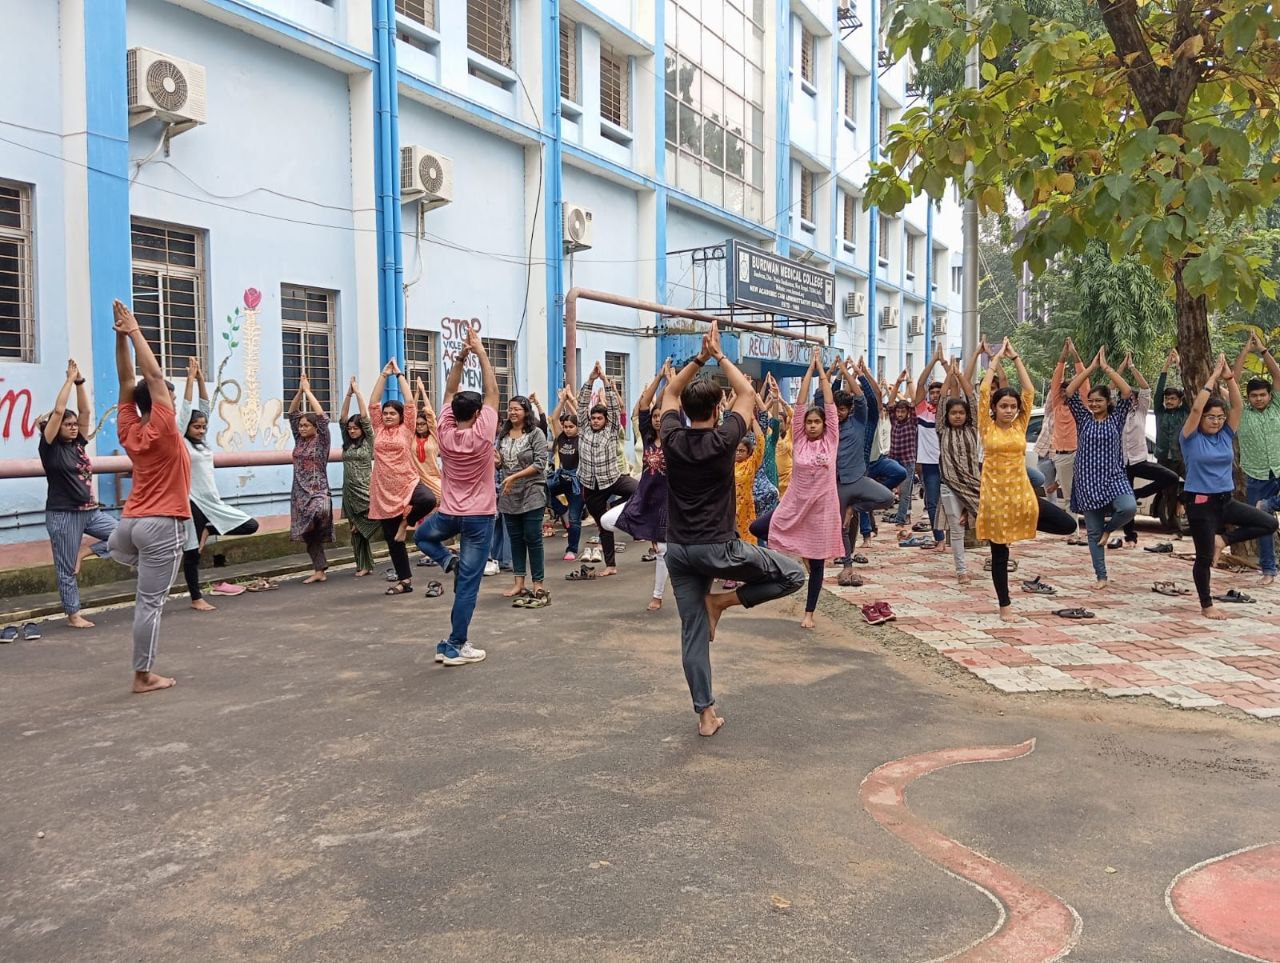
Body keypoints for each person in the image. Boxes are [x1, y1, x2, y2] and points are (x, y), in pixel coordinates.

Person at [661, 321, 806, 737]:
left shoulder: (671, 435)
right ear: (718, 409)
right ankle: (723, 603)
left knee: (692, 635)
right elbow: (747, 394)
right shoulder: (726, 437)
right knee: (794, 574)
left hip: (678, 550)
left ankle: (706, 716)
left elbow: (670, 392)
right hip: (718, 549)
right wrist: (721, 356)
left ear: (684, 412)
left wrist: (700, 357)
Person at [106, 300, 191, 694]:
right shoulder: (166, 427)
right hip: (161, 523)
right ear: (161, 403)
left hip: (130, 525)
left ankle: (103, 547)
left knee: (136, 569)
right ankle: (143, 676)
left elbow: (127, 380)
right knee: (150, 603)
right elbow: (151, 375)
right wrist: (136, 330)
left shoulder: (129, 427)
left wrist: (121, 338)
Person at [413, 328, 500, 666]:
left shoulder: (445, 432)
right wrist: (480, 351)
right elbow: (492, 391)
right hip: (479, 517)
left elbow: (450, 389)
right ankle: (455, 644)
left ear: (455, 412)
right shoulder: (482, 433)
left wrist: (461, 357)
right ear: (477, 414)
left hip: (449, 512)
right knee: (468, 584)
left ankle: (446, 560)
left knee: (421, 535)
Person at [977, 339, 1077, 621]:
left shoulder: (1021, 425)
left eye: (1012, 406)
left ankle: (1018, 527)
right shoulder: (986, 427)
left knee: (1068, 525)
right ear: (994, 408)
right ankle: (1004, 606)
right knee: (999, 555)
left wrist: (1016, 358)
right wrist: (994, 360)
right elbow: (985, 390)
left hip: (1022, 494)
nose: (1009, 410)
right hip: (995, 497)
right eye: (1004, 406)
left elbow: (1030, 391)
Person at [747, 349, 844, 629]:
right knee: (756, 529)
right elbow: (800, 405)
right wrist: (809, 372)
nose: (812, 425)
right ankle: (787, 558)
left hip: (821, 512)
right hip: (793, 505)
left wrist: (823, 374)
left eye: (817, 422)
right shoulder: (799, 438)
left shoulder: (831, 441)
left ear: (825, 425)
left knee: (817, 566)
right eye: (809, 422)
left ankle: (809, 612)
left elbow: (829, 405)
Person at [1181, 355, 1278, 618]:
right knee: (1203, 558)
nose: (1216, 421)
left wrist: (1230, 378)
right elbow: (1194, 410)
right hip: (1200, 503)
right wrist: (1212, 378)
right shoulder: (1189, 438)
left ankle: (1222, 540)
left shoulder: (1226, 434)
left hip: (1225, 501)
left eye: (1220, 417)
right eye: (1211, 417)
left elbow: (1237, 406)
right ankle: (1206, 605)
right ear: (1202, 419)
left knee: (1268, 523)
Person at [39, 358, 117, 628]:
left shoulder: (77, 445)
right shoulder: (50, 449)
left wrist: (81, 382)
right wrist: (69, 380)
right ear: (54, 428)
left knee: (125, 536)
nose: (73, 427)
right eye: (67, 424)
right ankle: (74, 615)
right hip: (64, 515)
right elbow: (59, 410)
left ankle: (84, 553)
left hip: (91, 512)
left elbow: (84, 413)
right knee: (65, 569)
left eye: (74, 425)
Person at [179, 359, 260, 610]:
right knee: (192, 553)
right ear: (186, 428)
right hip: (192, 501)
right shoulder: (180, 443)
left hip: (212, 501)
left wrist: (203, 378)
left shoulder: (204, 445)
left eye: (203, 427)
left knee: (251, 525)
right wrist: (190, 380)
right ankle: (196, 598)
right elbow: (185, 410)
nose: (201, 430)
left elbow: (205, 406)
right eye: (196, 426)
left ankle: (210, 529)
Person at [1064, 348, 1136, 589]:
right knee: (1093, 534)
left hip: (1114, 477)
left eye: (1099, 401)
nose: (1094, 404)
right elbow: (1070, 391)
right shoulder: (1083, 418)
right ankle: (1101, 577)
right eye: (1091, 401)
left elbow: (1127, 392)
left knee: (1128, 507)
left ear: (1108, 402)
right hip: (1087, 480)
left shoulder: (1117, 418)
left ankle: (1109, 529)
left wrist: (1106, 369)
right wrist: (1090, 369)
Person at [604, 363, 672, 610]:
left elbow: (676, 408)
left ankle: (657, 595)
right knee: (605, 521)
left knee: (663, 550)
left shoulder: (676, 439)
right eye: (655, 416)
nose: (656, 420)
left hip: (666, 502)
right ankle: (648, 534)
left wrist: (672, 385)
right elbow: (644, 405)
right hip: (643, 497)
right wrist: (660, 377)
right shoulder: (647, 436)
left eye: (662, 416)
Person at [369, 360, 435, 595]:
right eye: (385, 413)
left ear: (400, 417)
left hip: (407, 481)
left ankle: (406, 523)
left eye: (391, 413)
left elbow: (409, 403)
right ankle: (404, 580)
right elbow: (373, 403)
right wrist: (383, 374)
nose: (387, 416)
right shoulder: (377, 429)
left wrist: (398, 375)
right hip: (383, 488)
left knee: (428, 500)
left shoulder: (406, 429)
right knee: (392, 540)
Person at [832, 357, 896, 586]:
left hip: (858, 478)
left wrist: (855, 374)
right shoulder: (829, 425)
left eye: (842, 409)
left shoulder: (859, 421)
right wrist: (835, 376)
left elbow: (863, 398)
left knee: (887, 497)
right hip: (837, 484)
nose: (838, 413)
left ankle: (854, 508)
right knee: (842, 526)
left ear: (849, 411)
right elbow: (823, 400)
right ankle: (847, 565)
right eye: (836, 409)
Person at [577, 362, 639, 577]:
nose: (595, 421)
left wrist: (604, 381)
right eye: (593, 418)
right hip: (590, 485)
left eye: (599, 418)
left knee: (640, 490)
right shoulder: (583, 429)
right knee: (603, 526)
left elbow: (614, 407)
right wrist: (590, 380)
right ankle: (611, 565)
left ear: (605, 420)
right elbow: (581, 404)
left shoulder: (611, 430)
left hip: (612, 478)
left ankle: (615, 506)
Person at [1118, 351, 1180, 546]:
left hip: (1138, 460)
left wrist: (1132, 367)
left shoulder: (1141, 411)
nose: (1129, 400)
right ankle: (1130, 536)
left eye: (1131, 397)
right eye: (1124, 397)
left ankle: (1139, 494)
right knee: (1126, 502)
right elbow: (1111, 389)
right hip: (1121, 463)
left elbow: (1146, 389)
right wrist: (1117, 369)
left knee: (1170, 477)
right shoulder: (1116, 413)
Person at [1232, 332, 1280, 585]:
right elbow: (1233, 380)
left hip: (1279, 468)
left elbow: (1277, 375)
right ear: (1249, 397)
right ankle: (1269, 570)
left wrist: (1262, 350)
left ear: (1269, 395)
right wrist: (1244, 351)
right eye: (1254, 395)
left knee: (1266, 507)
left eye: (1263, 394)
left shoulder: (1277, 406)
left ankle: (1271, 503)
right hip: (1257, 474)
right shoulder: (1242, 413)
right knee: (1262, 524)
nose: (1259, 399)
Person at [497, 395, 550, 606]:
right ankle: (519, 582)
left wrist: (515, 476)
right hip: (509, 493)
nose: (512, 412)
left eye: (517, 409)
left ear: (526, 411)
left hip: (532, 490)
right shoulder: (503, 435)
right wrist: (497, 463)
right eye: (510, 409)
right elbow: (503, 464)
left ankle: (538, 583)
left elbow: (540, 463)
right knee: (516, 539)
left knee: (532, 537)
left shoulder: (535, 434)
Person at [936, 357, 982, 583]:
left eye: (960, 413)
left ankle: (998, 559)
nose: (957, 415)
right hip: (949, 484)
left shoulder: (973, 429)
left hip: (974, 485)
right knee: (956, 529)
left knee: (988, 522)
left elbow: (972, 400)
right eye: (953, 413)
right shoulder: (942, 430)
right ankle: (961, 571)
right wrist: (948, 376)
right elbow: (942, 400)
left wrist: (960, 376)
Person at [286, 374, 334, 583]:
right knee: (308, 533)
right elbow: (292, 413)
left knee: (320, 510)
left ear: (315, 428)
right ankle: (319, 569)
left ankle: (321, 532)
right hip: (299, 492)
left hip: (318, 490)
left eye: (306, 425)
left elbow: (322, 417)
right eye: (301, 425)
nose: (302, 428)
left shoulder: (322, 440)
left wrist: (309, 392)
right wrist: (299, 391)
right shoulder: (299, 439)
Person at [339, 377, 380, 577]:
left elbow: (364, 416)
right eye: (350, 429)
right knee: (353, 530)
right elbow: (342, 418)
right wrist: (348, 395)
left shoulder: (368, 441)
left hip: (365, 487)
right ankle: (364, 565)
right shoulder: (346, 442)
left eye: (356, 428)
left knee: (378, 516)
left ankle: (362, 527)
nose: (353, 431)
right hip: (349, 490)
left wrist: (358, 393)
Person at [912, 345, 948, 548]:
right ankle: (939, 539)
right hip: (929, 464)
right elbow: (919, 383)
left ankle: (956, 536)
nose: (935, 394)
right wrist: (933, 360)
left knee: (953, 502)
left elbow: (955, 384)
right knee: (932, 502)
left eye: (938, 391)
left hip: (948, 463)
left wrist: (944, 363)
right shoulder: (922, 411)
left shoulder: (950, 410)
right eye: (932, 392)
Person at [1153, 348, 1189, 528]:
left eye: (1173, 399)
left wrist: (1179, 364)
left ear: (1179, 400)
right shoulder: (1160, 412)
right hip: (1163, 459)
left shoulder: (1184, 412)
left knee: (1194, 483)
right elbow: (1158, 391)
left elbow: (1190, 389)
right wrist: (1166, 365)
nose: (1169, 401)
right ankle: (1173, 527)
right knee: (1168, 493)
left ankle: (1183, 503)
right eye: (1167, 399)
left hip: (1182, 457)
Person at [547, 389, 584, 560]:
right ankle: (561, 509)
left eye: (571, 427)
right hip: (561, 478)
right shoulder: (560, 437)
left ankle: (572, 549)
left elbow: (583, 418)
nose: (568, 429)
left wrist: (573, 400)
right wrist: (562, 400)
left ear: (577, 427)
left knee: (575, 519)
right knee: (542, 489)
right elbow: (554, 418)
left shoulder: (582, 438)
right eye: (566, 426)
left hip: (577, 484)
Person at [885, 370, 918, 530]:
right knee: (896, 489)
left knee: (905, 491)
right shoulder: (894, 421)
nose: (899, 414)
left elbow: (914, 404)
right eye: (898, 411)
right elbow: (890, 403)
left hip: (908, 461)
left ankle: (900, 520)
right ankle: (906, 514)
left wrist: (910, 382)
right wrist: (897, 382)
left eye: (902, 412)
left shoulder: (912, 423)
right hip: (893, 460)